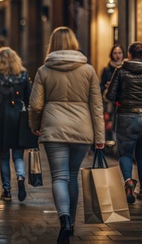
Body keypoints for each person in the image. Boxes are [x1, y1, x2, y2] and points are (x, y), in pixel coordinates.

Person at [28, 27, 105, 244]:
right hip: (82, 129)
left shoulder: (44, 70)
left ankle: (65, 220)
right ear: (73, 42)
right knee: (72, 176)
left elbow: (35, 105)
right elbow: (96, 106)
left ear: (52, 44)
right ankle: (71, 223)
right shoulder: (88, 70)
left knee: (59, 176)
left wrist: (35, 126)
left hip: (53, 128)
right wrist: (100, 137)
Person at [106, 42, 142, 204]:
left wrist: (122, 99)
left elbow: (110, 95)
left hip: (126, 117)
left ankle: (129, 181)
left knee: (125, 154)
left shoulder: (120, 71)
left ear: (128, 54)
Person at [0, 47, 31, 202]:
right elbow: (29, 98)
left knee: (4, 156)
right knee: (18, 155)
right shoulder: (23, 75)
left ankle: (7, 190)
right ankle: (20, 177)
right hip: (19, 117)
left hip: (2, 118)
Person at [100, 44, 125, 144]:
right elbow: (101, 86)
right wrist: (107, 87)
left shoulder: (126, 68)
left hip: (123, 100)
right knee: (111, 121)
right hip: (111, 101)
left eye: (119, 53)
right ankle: (113, 140)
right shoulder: (107, 70)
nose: (117, 55)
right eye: (115, 53)